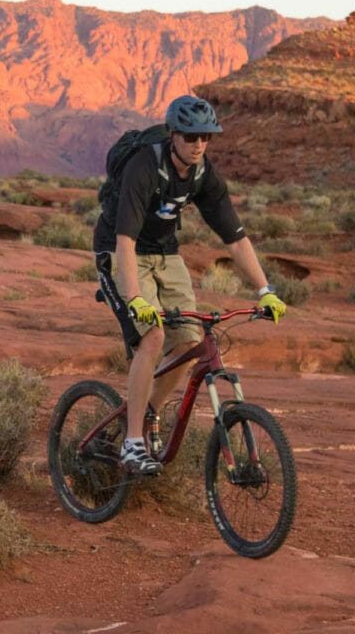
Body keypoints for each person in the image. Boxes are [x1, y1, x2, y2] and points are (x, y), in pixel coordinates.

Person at [93, 95, 286, 475]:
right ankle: (132, 443)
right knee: (152, 338)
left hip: (166, 253)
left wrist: (266, 290)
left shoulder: (203, 173)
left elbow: (235, 237)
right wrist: (135, 298)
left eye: (206, 137)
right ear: (173, 135)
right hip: (120, 250)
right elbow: (125, 240)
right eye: (191, 136)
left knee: (192, 342)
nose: (199, 144)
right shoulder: (144, 166)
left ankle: (147, 412)